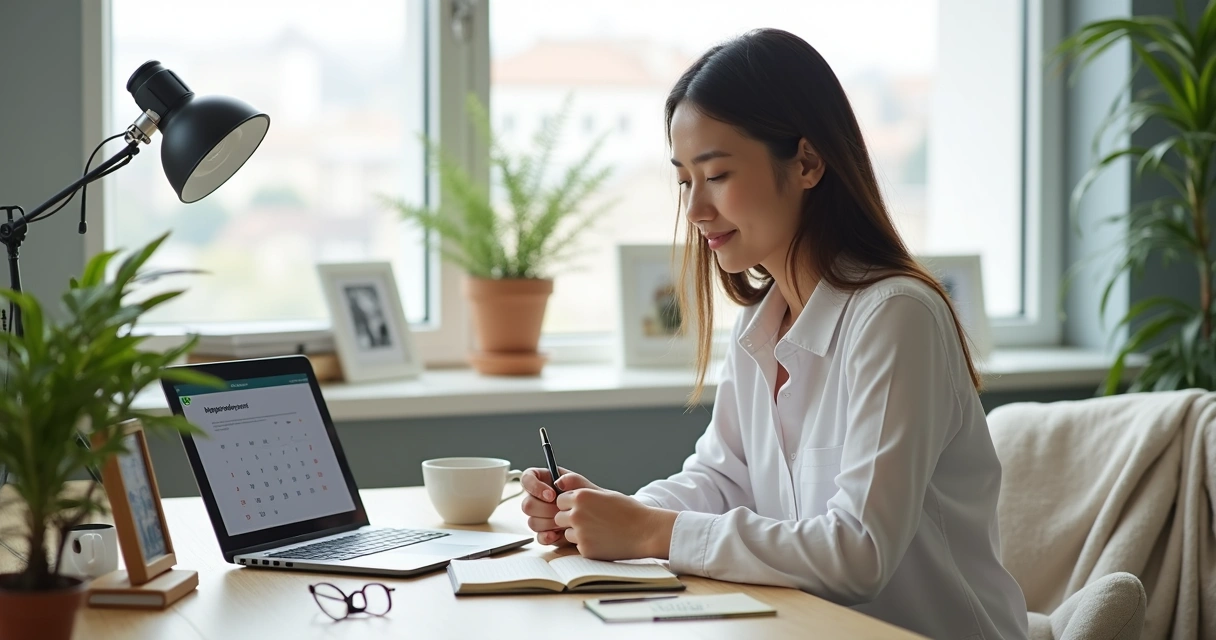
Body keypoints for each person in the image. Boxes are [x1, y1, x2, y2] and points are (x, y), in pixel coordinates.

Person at [520, 28, 1029, 640]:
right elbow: (722, 479)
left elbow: (858, 552)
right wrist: (607, 511)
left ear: (808, 163)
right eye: (685, 180)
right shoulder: (758, 327)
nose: (696, 210)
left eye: (717, 174)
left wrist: (651, 532)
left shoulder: (897, 317)